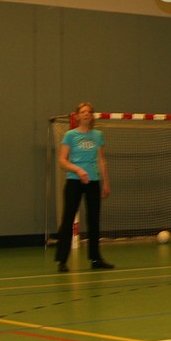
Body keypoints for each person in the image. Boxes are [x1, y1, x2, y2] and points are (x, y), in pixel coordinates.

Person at [54, 102, 114, 272]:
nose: (86, 114)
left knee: (94, 220)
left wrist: (106, 182)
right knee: (68, 219)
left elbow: (101, 160)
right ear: (77, 116)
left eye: (89, 112)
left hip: (93, 182)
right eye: (83, 112)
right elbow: (62, 160)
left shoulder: (98, 135)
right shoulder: (70, 135)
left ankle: (95, 259)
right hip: (74, 181)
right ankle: (62, 260)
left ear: (92, 116)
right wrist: (78, 170)